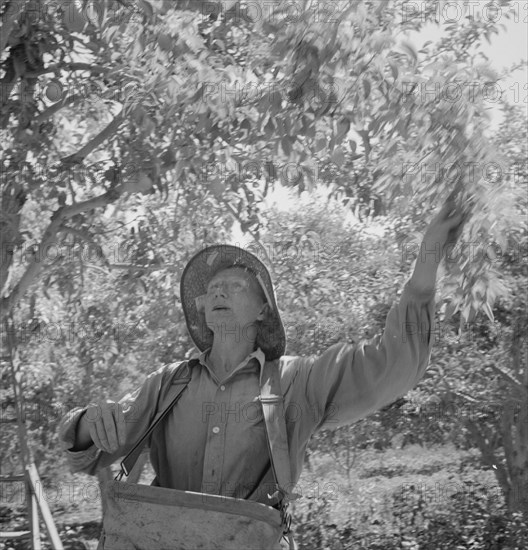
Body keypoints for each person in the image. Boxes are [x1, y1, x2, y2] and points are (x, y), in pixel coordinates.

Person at [58, 200, 467, 547]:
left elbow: (395, 363)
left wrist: (429, 252)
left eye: (235, 285)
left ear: (262, 310)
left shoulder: (296, 383)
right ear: (202, 310)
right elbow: (85, 453)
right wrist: (86, 422)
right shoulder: (169, 383)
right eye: (214, 288)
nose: (219, 291)